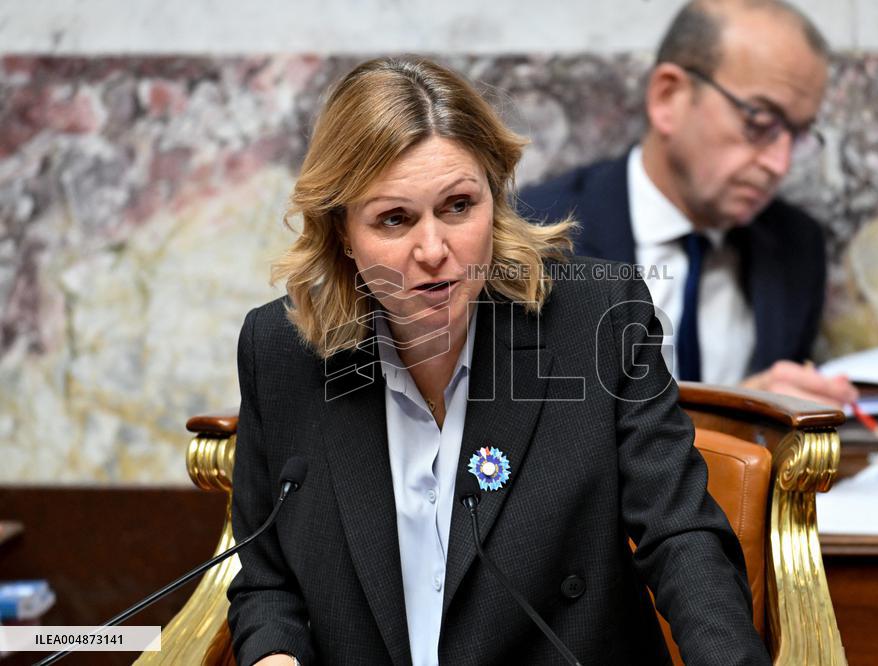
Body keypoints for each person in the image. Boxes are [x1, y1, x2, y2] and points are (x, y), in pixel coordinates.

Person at [227, 56, 769, 665]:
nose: (433, 249)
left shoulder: (598, 319)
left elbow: (680, 536)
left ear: (495, 197)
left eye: (458, 206)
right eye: (394, 219)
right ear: (343, 234)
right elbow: (266, 581)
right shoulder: (280, 351)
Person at [520, 0, 857, 408]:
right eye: (760, 122)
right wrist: (736, 417)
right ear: (669, 97)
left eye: (798, 135)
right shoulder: (536, 237)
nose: (780, 164)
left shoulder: (795, 248)